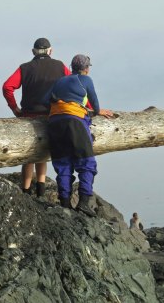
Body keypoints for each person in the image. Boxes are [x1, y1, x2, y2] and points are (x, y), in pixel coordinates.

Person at [45, 54, 114, 217]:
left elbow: (47, 99)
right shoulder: (86, 80)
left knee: (63, 163)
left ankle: (65, 203)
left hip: (54, 122)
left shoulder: (60, 81)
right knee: (86, 162)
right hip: (74, 121)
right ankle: (83, 202)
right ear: (86, 68)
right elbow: (95, 104)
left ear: (72, 67)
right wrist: (97, 112)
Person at [2, 37, 71, 197]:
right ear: (50, 51)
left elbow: (7, 87)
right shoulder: (60, 66)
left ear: (33, 51)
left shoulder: (25, 68)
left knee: (28, 156)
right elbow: (71, 85)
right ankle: (40, 192)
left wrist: (14, 108)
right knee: (43, 154)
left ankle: (25, 192)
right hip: (52, 116)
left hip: (28, 116)